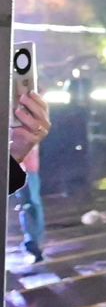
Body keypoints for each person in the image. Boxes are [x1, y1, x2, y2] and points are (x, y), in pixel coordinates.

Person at [10, 90, 52, 260]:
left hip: (28, 166)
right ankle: (33, 241)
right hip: (19, 163)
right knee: (29, 204)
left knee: (31, 204)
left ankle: (34, 241)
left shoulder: (35, 102)